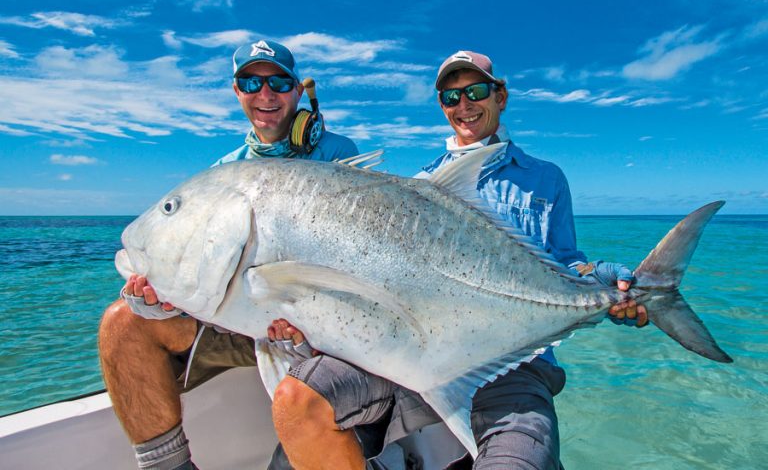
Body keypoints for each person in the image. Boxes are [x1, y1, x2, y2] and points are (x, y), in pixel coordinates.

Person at [267, 50, 648, 470]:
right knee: (297, 403)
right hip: (418, 353)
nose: (464, 105)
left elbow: (564, 263)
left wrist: (600, 284)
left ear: (500, 96)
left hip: (516, 362)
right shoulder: (418, 186)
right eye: (451, 97)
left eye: (476, 91)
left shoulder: (546, 178)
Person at [98, 39, 358, 470]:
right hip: (237, 320)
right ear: (237, 92)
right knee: (122, 324)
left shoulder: (337, 154)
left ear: (296, 90)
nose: (265, 94)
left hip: (316, 324)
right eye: (250, 83)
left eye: (278, 82)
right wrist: (162, 302)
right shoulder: (222, 173)